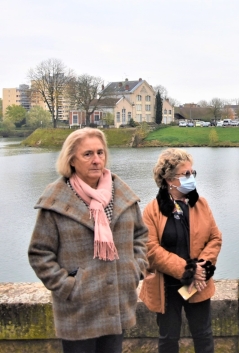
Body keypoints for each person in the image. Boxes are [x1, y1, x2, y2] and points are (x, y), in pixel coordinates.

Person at [28, 128, 149, 353]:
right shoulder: (56, 201)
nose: (96, 160)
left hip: (116, 305)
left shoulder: (122, 195)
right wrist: (69, 287)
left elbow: (141, 236)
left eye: (100, 153)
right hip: (78, 311)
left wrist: (135, 269)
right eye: (88, 154)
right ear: (71, 160)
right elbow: (39, 253)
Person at [139, 148, 222, 353]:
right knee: (168, 339)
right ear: (169, 180)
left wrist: (202, 267)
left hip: (198, 283)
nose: (191, 178)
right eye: (186, 174)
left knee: (203, 336)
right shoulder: (152, 210)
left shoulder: (201, 204)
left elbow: (215, 237)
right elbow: (150, 250)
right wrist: (187, 270)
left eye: (192, 173)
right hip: (166, 285)